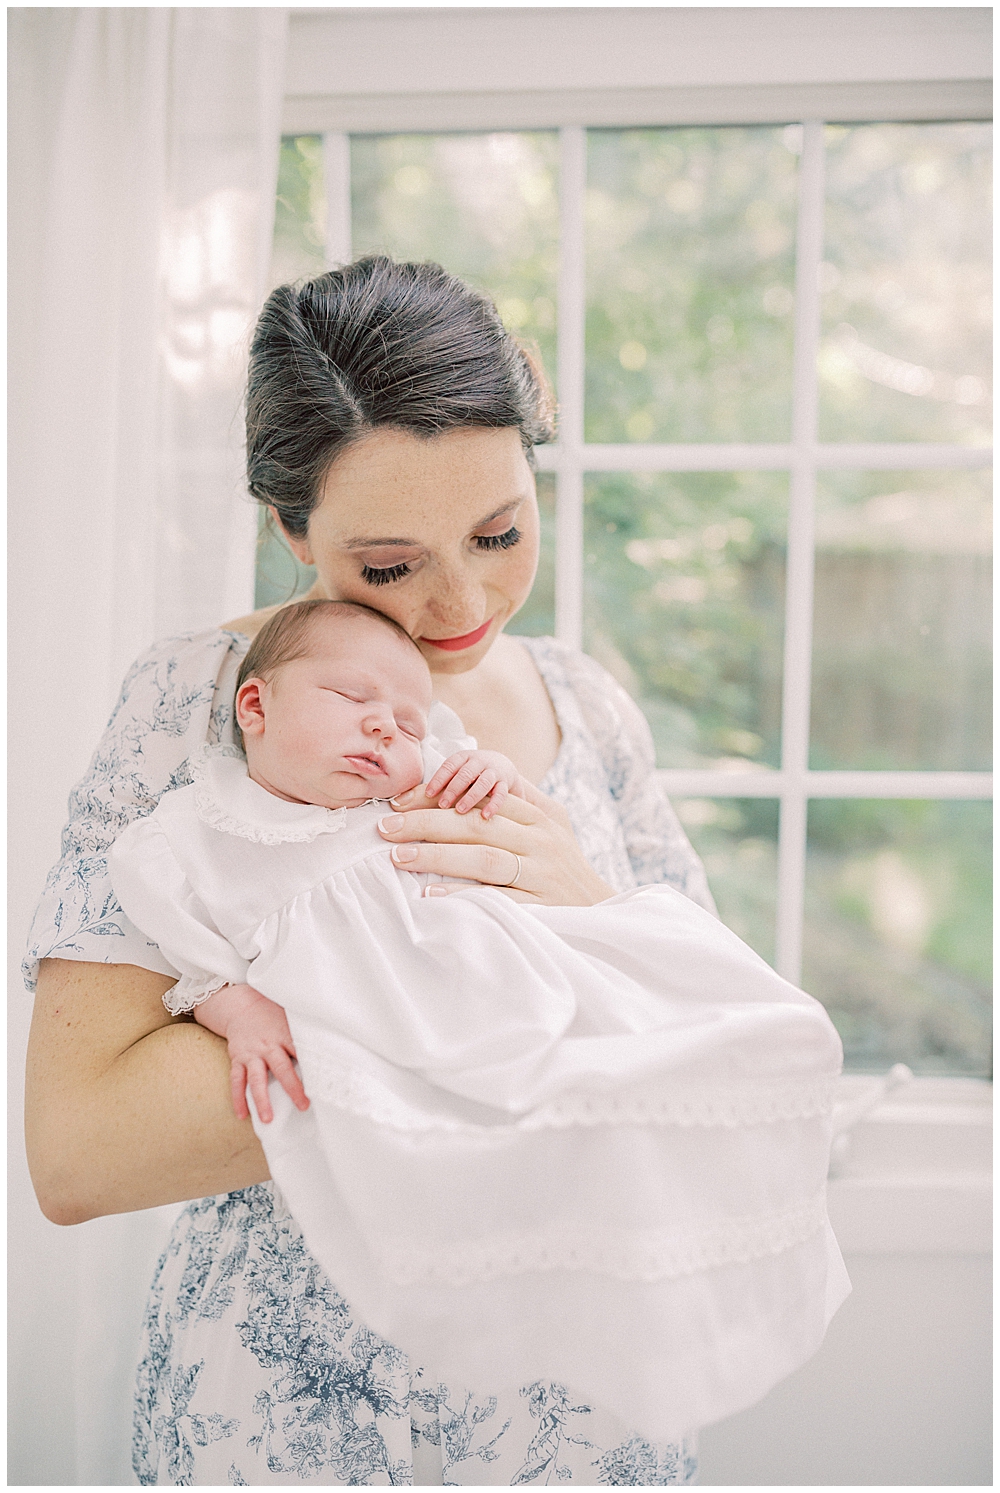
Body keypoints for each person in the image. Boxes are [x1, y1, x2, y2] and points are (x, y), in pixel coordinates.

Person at [24, 256, 844, 1485]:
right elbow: (79, 1151)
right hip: (292, 1419)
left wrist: (583, 905)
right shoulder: (190, 705)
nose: (458, 604)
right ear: (288, 527)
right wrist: (467, 1021)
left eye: (500, 531)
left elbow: (702, 1054)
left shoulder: (588, 712)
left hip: (583, 1419)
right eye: (389, 564)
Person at [107, 595, 846, 1446]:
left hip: (511, 989)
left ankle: (684, 1264)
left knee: (678, 1057)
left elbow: (511, 836)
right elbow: (196, 959)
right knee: (461, 1162)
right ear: (256, 706)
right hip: (399, 1039)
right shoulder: (201, 836)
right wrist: (239, 1012)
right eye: (352, 700)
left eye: (408, 719)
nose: (387, 728)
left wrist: (489, 783)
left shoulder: (424, 784)